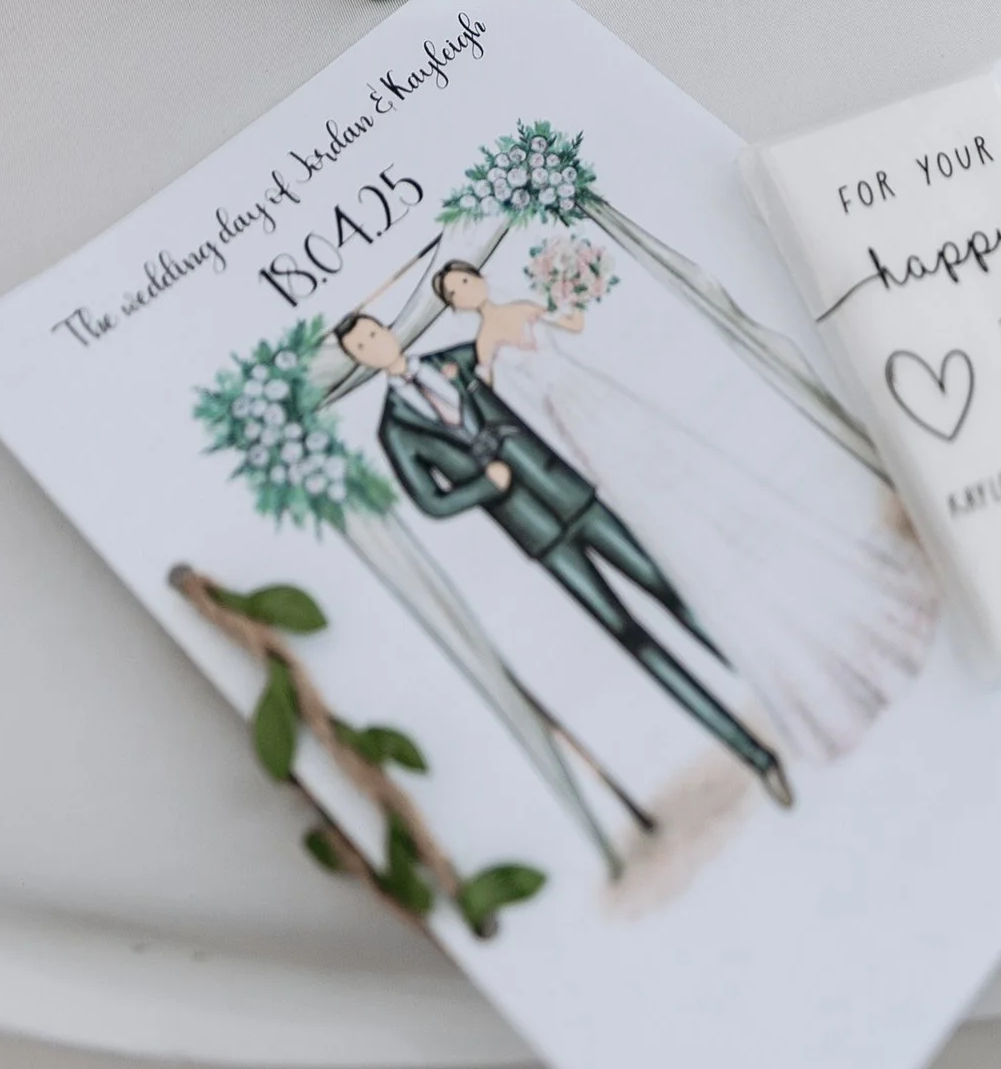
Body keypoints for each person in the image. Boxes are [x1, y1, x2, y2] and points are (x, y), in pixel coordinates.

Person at [434, 260, 939, 770]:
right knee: (671, 528)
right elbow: (507, 409)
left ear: (478, 281)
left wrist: (572, 290)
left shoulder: (524, 307)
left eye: (464, 281)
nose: (464, 292)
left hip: (609, 402)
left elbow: (571, 324)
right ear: (455, 304)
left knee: (708, 486)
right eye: (454, 291)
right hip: (579, 430)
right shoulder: (483, 353)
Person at [335, 305, 795, 804]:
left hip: (572, 494)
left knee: (673, 593)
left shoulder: (458, 358)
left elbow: (519, 340)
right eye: (360, 348)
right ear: (358, 360)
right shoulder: (395, 429)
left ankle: (787, 700)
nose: (374, 346)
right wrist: (483, 487)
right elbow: (430, 501)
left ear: (387, 331)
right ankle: (753, 754)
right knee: (632, 637)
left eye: (373, 334)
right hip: (538, 534)